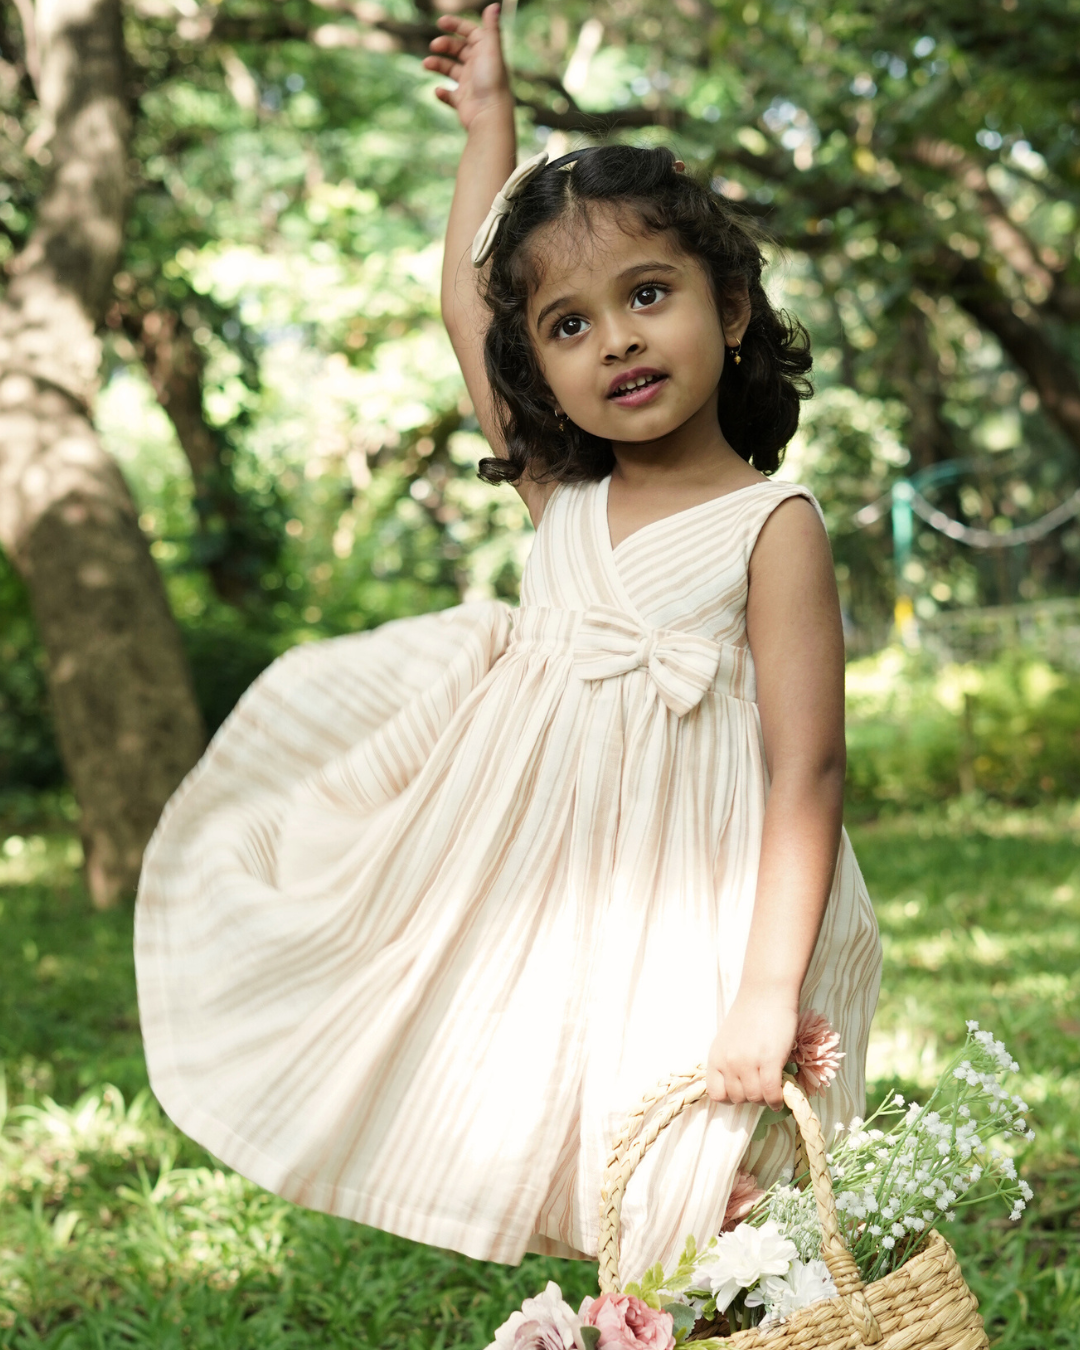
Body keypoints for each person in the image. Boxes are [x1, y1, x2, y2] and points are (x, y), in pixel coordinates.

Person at [134, 3, 881, 1281]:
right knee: (605, 1155)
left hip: (701, 901)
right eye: (571, 326)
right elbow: (463, 300)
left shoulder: (773, 524)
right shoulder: (564, 495)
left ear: (734, 307)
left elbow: (804, 771)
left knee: (710, 1193)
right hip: (553, 898)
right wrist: (491, 120)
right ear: (538, 364)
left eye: (649, 295)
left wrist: (767, 989)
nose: (619, 340)